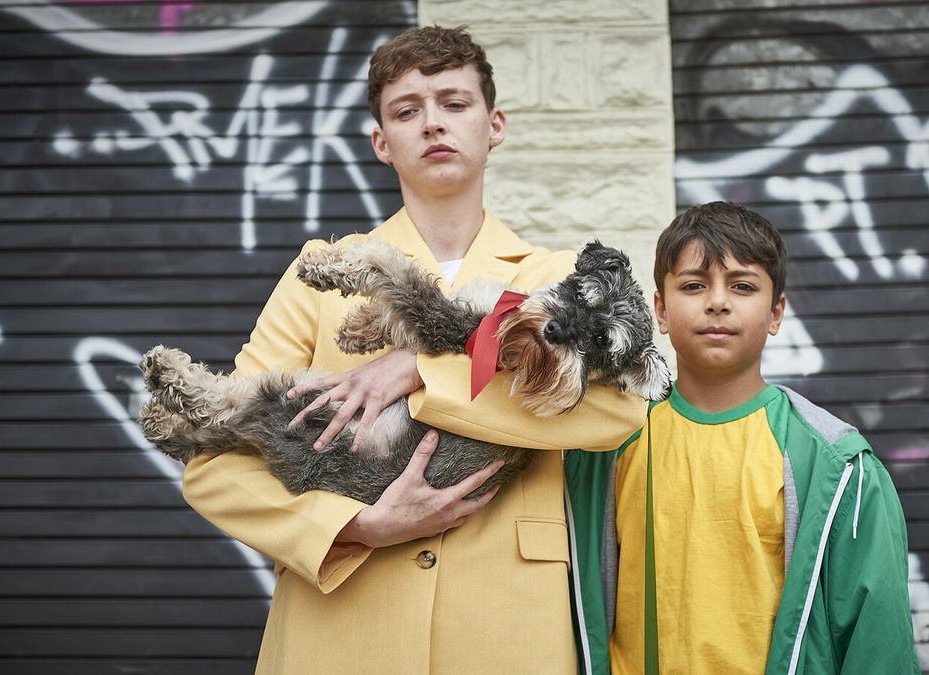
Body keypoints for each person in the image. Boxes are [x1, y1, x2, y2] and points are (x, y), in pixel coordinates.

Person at [181, 25, 646, 674]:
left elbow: (620, 413)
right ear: (381, 143)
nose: (433, 124)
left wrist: (422, 370)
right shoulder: (322, 273)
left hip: (509, 634)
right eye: (407, 110)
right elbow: (213, 460)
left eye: (454, 104)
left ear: (495, 125)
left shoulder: (556, 275)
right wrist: (349, 526)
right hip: (343, 631)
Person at [564, 201, 920, 674]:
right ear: (660, 311)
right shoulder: (605, 443)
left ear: (776, 313)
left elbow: (879, 639)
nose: (717, 301)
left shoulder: (835, 464)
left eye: (743, 286)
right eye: (693, 285)